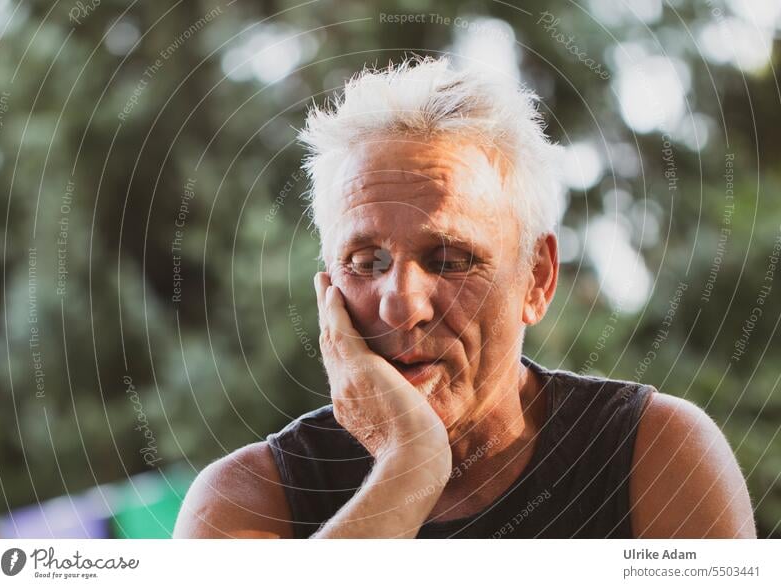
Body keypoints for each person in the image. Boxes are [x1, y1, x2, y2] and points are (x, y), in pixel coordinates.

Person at [173, 57, 756, 539]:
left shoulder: (653, 456)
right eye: (365, 261)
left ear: (537, 279)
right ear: (329, 289)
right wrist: (409, 467)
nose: (401, 304)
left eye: (449, 260)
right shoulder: (246, 503)